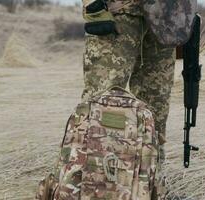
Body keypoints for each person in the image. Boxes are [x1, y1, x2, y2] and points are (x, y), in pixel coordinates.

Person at [82, 0, 197, 164]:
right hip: (118, 12)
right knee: (104, 102)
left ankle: (149, 179)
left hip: (165, 17)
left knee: (156, 106)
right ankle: (95, 178)